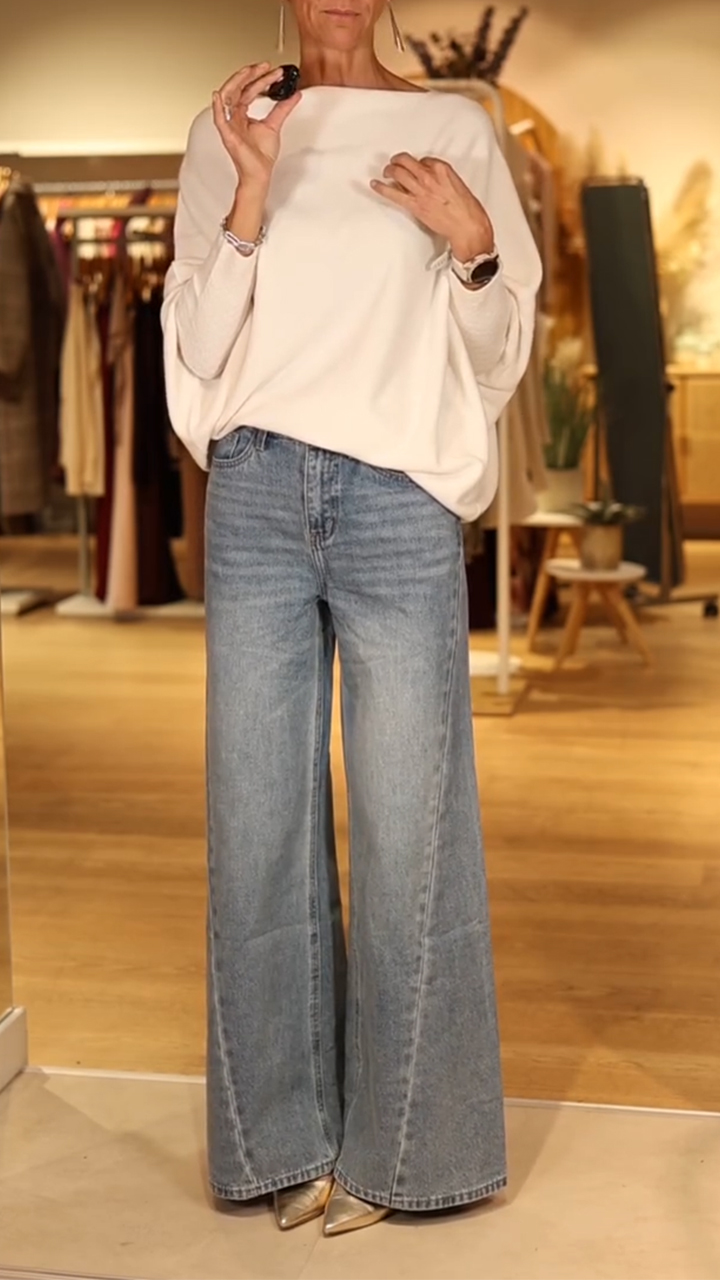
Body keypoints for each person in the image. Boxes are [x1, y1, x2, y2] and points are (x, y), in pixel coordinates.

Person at [162, 0, 541, 1239]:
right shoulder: (225, 128)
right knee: (257, 819)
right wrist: (250, 189)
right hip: (258, 490)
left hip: (396, 500)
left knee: (410, 826)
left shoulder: (456, 126)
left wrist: (473, 246)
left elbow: (495, 353)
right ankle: (280, 1138)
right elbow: (197, 348)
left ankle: (408, 1146)